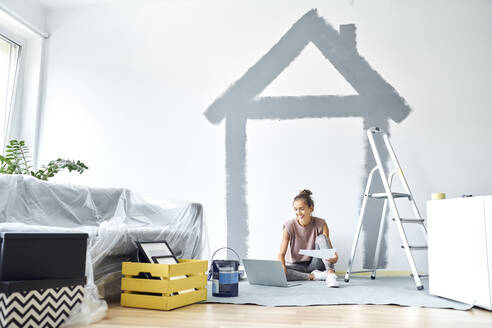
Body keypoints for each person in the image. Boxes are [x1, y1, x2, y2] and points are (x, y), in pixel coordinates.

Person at [278, 189, 339, 287]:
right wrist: (281, 268)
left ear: (311, 208)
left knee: (321, 238)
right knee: (281, 273)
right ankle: (314, 276)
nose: (298, 212)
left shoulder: (321, 224)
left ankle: (331, 274)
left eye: (301, 208)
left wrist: (333, 257)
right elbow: (281, 254)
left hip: (315, 264)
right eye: (296, 209)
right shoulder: (289, 226)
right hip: (296, 266)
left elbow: (331, 251)